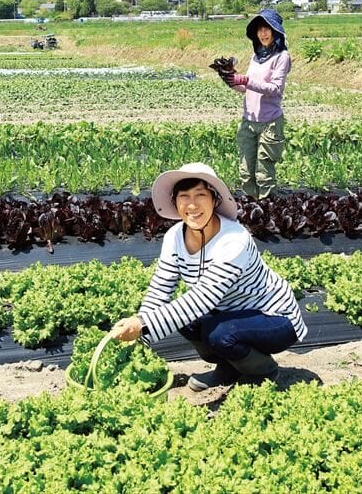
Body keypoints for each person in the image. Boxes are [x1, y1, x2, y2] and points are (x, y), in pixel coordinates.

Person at [111, 163, 306, 391]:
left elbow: (203, 299)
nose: (192, 205)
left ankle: (263, 371)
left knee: (220, 334)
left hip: (274, 317)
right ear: (175, 202)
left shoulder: (234, 240)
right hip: (227, 314)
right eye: (184, 196)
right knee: (187, 321)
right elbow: (160, 291)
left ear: (215, 200)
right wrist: (139, 335)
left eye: (200, 195)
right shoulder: (174, 237)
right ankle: (228, 369)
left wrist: (143, 326)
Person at [219, 8, 290, 199]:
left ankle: (266, 212)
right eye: (260, 29)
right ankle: (251, 210)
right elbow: (247, 88)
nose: (263, 33)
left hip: (270, 123)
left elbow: (275, 88)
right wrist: (232, 81)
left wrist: (246, 80)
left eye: (267, 28)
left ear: (276, 32)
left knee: (264, 173)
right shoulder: (256, 56)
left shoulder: (282, 57)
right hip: (248, 122)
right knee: (245, 171)